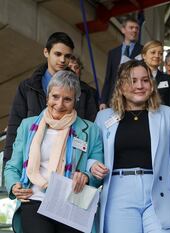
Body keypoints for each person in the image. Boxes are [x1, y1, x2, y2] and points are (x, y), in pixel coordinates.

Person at [89, 60, 170, 233]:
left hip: (159, 193)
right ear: (121, 86)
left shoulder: (167, 114)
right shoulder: (103, 117)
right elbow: (92, 156)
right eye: (133, 80)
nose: (140, 85)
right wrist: (92, 165)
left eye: (145, 80)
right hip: (119, 194)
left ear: (152, 85)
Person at [4, 70, 104, 233]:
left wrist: (86, 176)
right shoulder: (27, 126)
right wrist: (14, 185)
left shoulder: (90, 130)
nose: (59, 104)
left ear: (75, 101)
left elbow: (98, 171)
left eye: (67, 99)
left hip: (72, 204)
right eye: (55, 97)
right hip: (34, 200)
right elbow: (12, 167)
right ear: (47, 96)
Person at [4, 32, 97, 164]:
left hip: (69, 164)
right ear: (46, 52)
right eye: (58, 54)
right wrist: (9, 171)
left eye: (67, 56)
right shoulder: (27, 87)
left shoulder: (84, 91)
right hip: (30, 163)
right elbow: (14, 128)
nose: (63, 60)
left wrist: (87, 171)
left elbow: (90, 134)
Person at [141, 40, 170, 133]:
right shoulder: (133, 76)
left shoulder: (169, 79)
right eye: (153, 52)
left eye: (160, 53)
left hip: (161, 125)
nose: (157, 56)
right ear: (144, 55)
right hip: (139, 122)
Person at [100, 16, 143, 110]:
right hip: (114, 97)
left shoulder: (143, 51)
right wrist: (103, 101)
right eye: (131, 27)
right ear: (123, 30)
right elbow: (108, 78)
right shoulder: (113, 53)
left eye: (137, 28)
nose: (135, 30)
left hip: (133, 97)